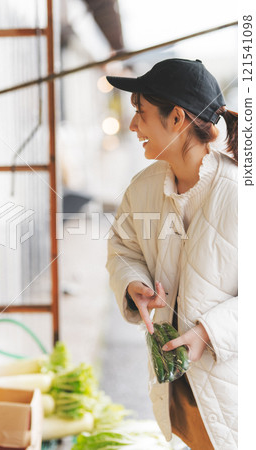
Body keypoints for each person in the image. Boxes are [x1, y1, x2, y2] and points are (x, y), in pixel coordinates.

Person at [105, 58, 237, 450]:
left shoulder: (239, 194)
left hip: (232, 393)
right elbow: (122, 247)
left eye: (140, 114)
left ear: (176, 118)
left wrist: (208, 333)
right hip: (177, 393)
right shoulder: (142, 188)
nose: (132, 127)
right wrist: (135, 285)